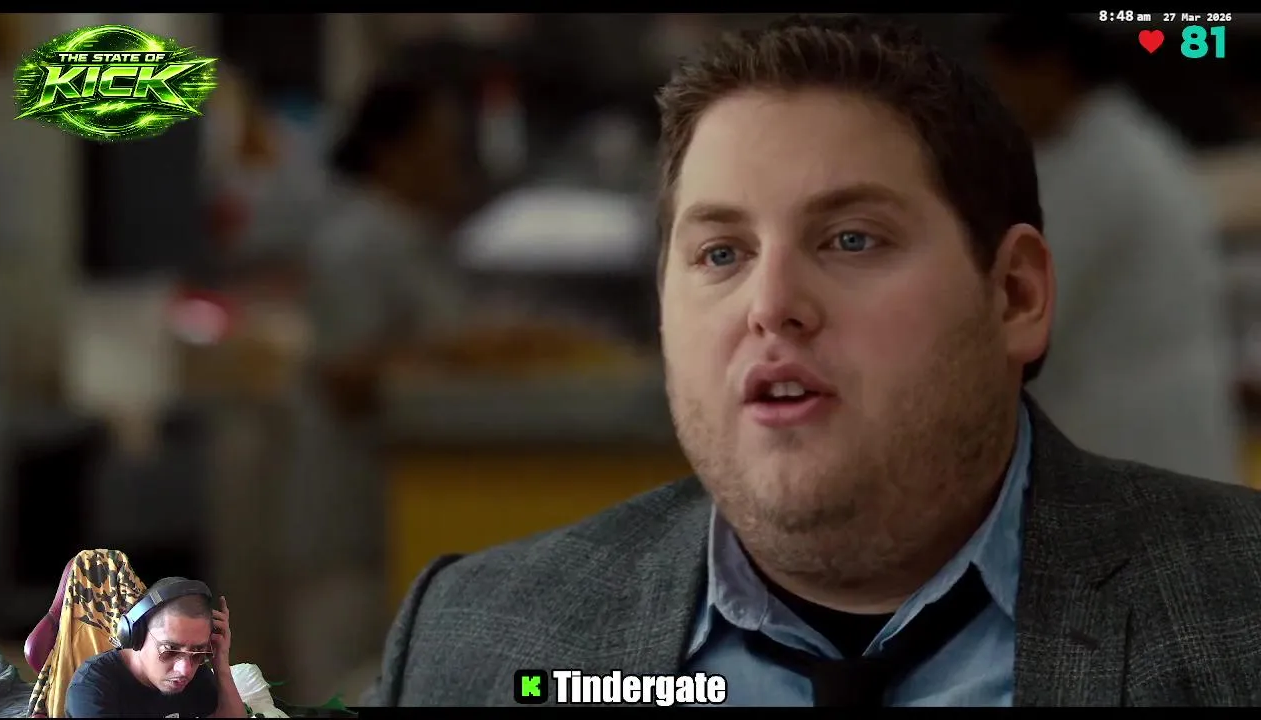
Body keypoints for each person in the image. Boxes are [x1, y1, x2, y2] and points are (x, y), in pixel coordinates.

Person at [365, 14, 1261, 707]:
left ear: (1016, 295)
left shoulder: (1235, 616)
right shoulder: (481, 640)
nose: (771, 304)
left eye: (852, 239)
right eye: (721, 253)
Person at [984, 14, 1241, 483]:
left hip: (1130, 420)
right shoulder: (1118, 145)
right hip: (1149, 414)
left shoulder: (1103, 167)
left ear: (1050, 71)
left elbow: (1033, 303)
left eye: (1008, 80)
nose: (1004, 98)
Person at [282, 76, 472, 695]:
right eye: (439, 144)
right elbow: (343, 375)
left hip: (398, 522)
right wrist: (454, 358)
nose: (452, 161)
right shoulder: (355, 241)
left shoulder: (410, 238)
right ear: (394, 150)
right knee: (342, 681)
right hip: (349, 525)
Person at [65, 577, 245, 717]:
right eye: (170, 649)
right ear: (137, 635)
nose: (185, 670)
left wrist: (221, 662)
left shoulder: (197, 674)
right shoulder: (92, 687)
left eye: (198, 652)